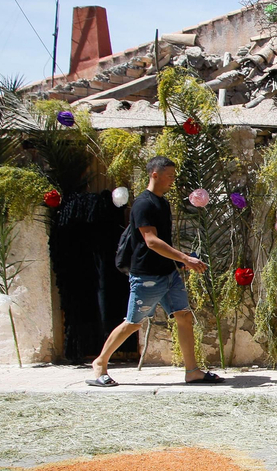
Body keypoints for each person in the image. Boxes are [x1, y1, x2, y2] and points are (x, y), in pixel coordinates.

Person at [87, 156, 220, 387]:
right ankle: (100, 363)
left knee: (184, 317)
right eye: (169, 176)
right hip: (147, 277)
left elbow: (164, 240)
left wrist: (178, 263)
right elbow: (151, 241)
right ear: (154, 175)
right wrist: (185, 258)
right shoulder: (143, 204)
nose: (172, 180)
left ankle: (192, 371)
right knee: (133, 323)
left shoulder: (163, 203)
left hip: (169, 274)